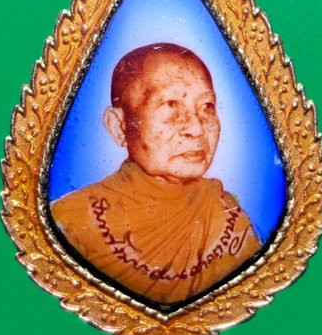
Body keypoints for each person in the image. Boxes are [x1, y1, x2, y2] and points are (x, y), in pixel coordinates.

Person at [51, 43, 260, 304]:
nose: (196, 128)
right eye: (171, 105)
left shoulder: (228, 220)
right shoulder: (72, 220)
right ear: (119, 126)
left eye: (207, 106)